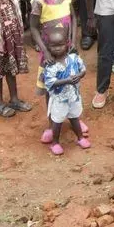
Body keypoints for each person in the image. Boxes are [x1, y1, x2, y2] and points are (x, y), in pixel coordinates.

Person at [38, 23, 91, 157]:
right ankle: (55, 143)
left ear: (67, 44)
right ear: (48, 47)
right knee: (57, 121)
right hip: (60, 100)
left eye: (60, 45)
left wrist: (79, 76)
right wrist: (67, 80)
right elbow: (50, 83)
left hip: (73, 97)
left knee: (74, 118)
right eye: (53, 46)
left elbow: (83, 69)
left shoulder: (73, 58)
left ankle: (80, 138)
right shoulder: (50, 65)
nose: (57, 49)